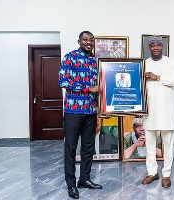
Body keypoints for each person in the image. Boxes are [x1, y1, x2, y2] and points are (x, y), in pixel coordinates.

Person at [58, 31, 102, 199]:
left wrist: (98, 111)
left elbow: (99, 88)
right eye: (85, 40)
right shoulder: (70, 57)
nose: (88, 42)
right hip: (73, 111)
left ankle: (84, 179)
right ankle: (71, 184)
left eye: (91, 40)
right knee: (70, 148)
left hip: (91, 111)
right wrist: (88, 88)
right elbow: (63, 81)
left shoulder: (95, 61)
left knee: (88, 148)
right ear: (79, 41)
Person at [141, 35, 174, 188]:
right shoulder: (144, 64)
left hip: (166, 110)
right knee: (150, 143)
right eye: (153, 45)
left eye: (158, 45)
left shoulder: (170, 62)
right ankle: (152, 172)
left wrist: (157, 77)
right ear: (149, 47)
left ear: (162, 47)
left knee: (168, 143)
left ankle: (166, 174)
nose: (156, 47)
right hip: (149, 110)